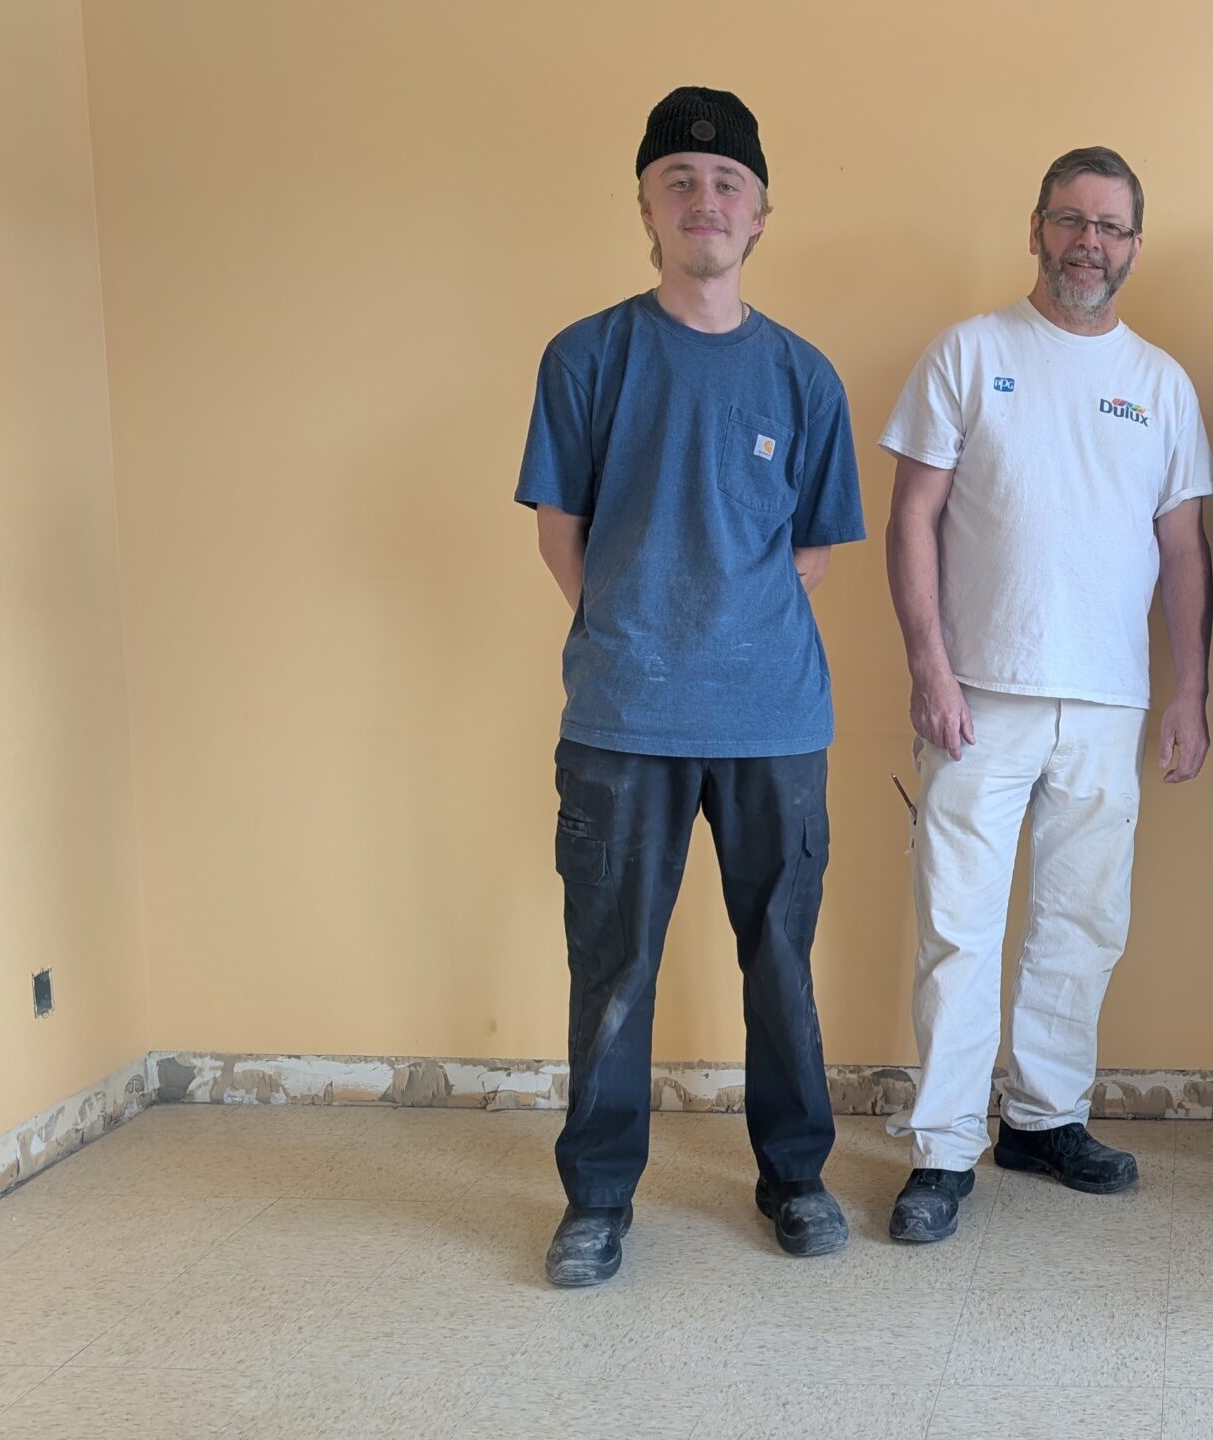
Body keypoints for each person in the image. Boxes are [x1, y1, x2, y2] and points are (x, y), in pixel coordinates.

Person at [515, 86, 865, 1283]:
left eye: (727, 184)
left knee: (781, 962)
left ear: (760, 214)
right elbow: (559, 532)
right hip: (623, 720)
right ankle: (598, 1199)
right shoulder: (587, 357)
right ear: (646, 209)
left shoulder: (804, 377)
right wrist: (636, 631)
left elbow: (809, 552)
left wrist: (726, 633)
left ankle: (796, 1176)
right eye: (679, 181)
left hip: (775, 720)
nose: (703, 200)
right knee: (611, 967)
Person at [878, 146, 1213, 1243]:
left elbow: (1183, 550)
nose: (1088, 243)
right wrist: (928, 667)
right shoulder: (970, 353)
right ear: (1036, 229)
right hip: (978, 695)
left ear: (1133, 246)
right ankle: (942, 1149)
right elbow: (911, 518)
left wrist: (1188, 692)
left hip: (1109, 701)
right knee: (958, 929)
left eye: (1110, 227)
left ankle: (1042, 1117)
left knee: (1082, 922)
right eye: (1070, 220)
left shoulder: (1161, 384)